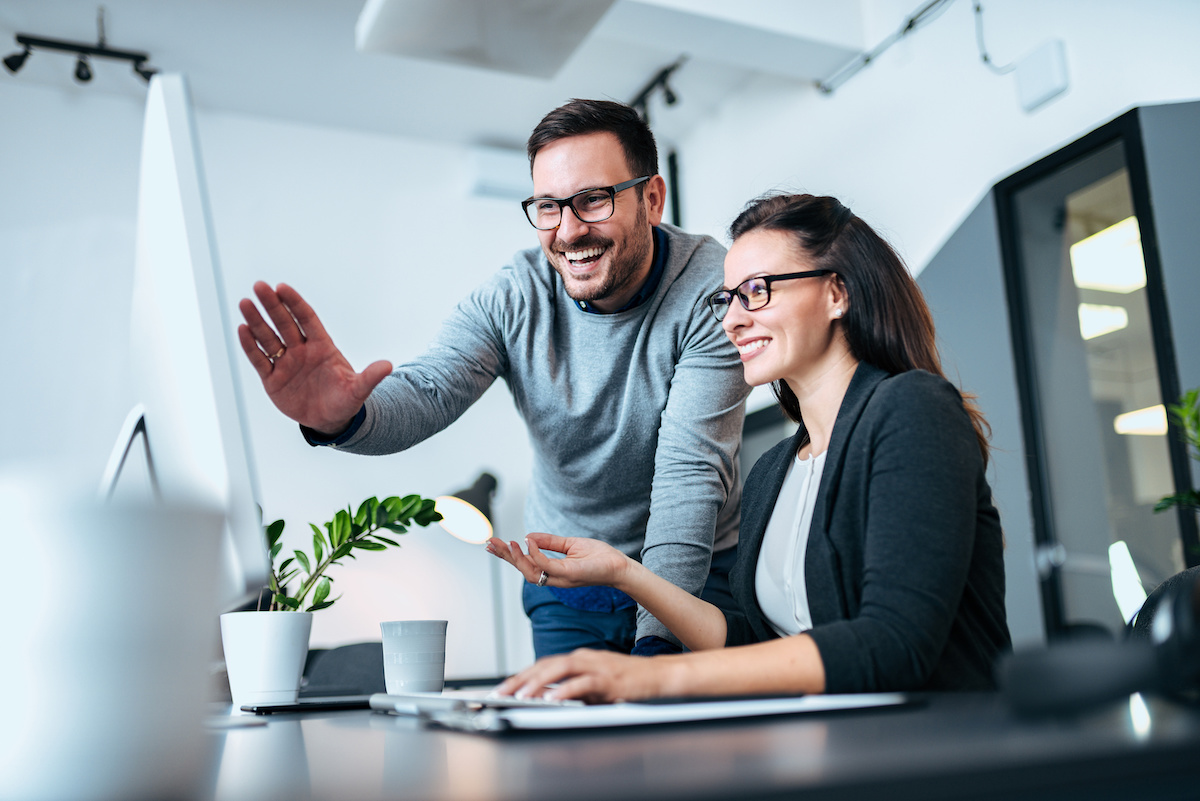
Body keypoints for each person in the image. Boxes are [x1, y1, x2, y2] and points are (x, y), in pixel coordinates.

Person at [236, 99, 750, 658]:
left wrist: (658, 656)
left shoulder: (714, 291)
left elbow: (689, 478)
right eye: (549, 206)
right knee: (571, 741)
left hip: (695, 573)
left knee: (685, 734)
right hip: (565, 578)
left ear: (651, 199)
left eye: (593, 200)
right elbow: (431, 389)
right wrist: (343, 418)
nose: (569, 230)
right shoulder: (515, 296)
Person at [488, 193, 1012, 702]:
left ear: (837, 293)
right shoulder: (773, 472)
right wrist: (624, 574)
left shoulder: (911, 410)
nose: (731, 319)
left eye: (757, 290)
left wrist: (652, 678)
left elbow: (894, 643)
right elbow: (759, 647)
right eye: (727, 298)